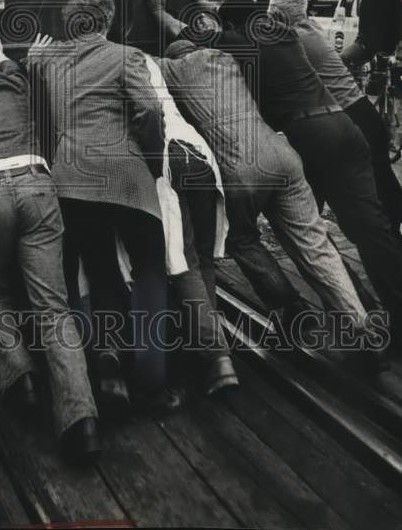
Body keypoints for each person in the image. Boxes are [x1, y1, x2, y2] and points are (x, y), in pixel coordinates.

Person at [143, 0, 402, 350]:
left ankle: (298, 308)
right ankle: (367, 316)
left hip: (309, 136)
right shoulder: (286, 34)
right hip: (346, 125)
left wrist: (156, 11)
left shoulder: (239, 43)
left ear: (233, 26)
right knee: (353, 230)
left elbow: (192, 38)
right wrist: (202, 3)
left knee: (263, 233)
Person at [158, 38, 375, 359]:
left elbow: (134, 61)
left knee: (239, 237)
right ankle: (360, 326)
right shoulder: (225, 57)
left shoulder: (172, 69)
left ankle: (292, 311)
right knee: (315, 245)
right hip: (282, 155)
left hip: (241, 166)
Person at [0, 33, 100, 461]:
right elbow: (12, 67)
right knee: (53, 307)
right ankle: (81, 420)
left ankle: (20, 373)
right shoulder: (15, 84)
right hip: (36, 184)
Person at [28, 0, 183, 414]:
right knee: (151, 268)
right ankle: (153, 379)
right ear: (109, 20)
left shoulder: (49, 62)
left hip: (72, 181)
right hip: (126, 176)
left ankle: (108, 365)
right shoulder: (126, 56)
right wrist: (151, 160)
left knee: (98, 270)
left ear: (69, 20)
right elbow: (150, 111)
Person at [142, 53, 238, 394]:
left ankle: (216, 356)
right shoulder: (145, 60)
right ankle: (210, 347)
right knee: (204, 257)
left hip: (170, 159)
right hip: (199, 152)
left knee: (183, 262)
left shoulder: (113, 67)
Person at [269, 0, 402, 236]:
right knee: (373, 180)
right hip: (360, 112)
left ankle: (389, 240)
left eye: (271, 15)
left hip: (352, 114)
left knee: (377, 184)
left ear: (278, 14)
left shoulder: (294, 38)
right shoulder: (311, 29)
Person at [342, 0, 402, 67]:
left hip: (388, 48)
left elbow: (398, 27)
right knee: (343, 58)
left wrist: (394, 50)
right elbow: (362, 27)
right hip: (366, 46)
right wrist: (359, 42)